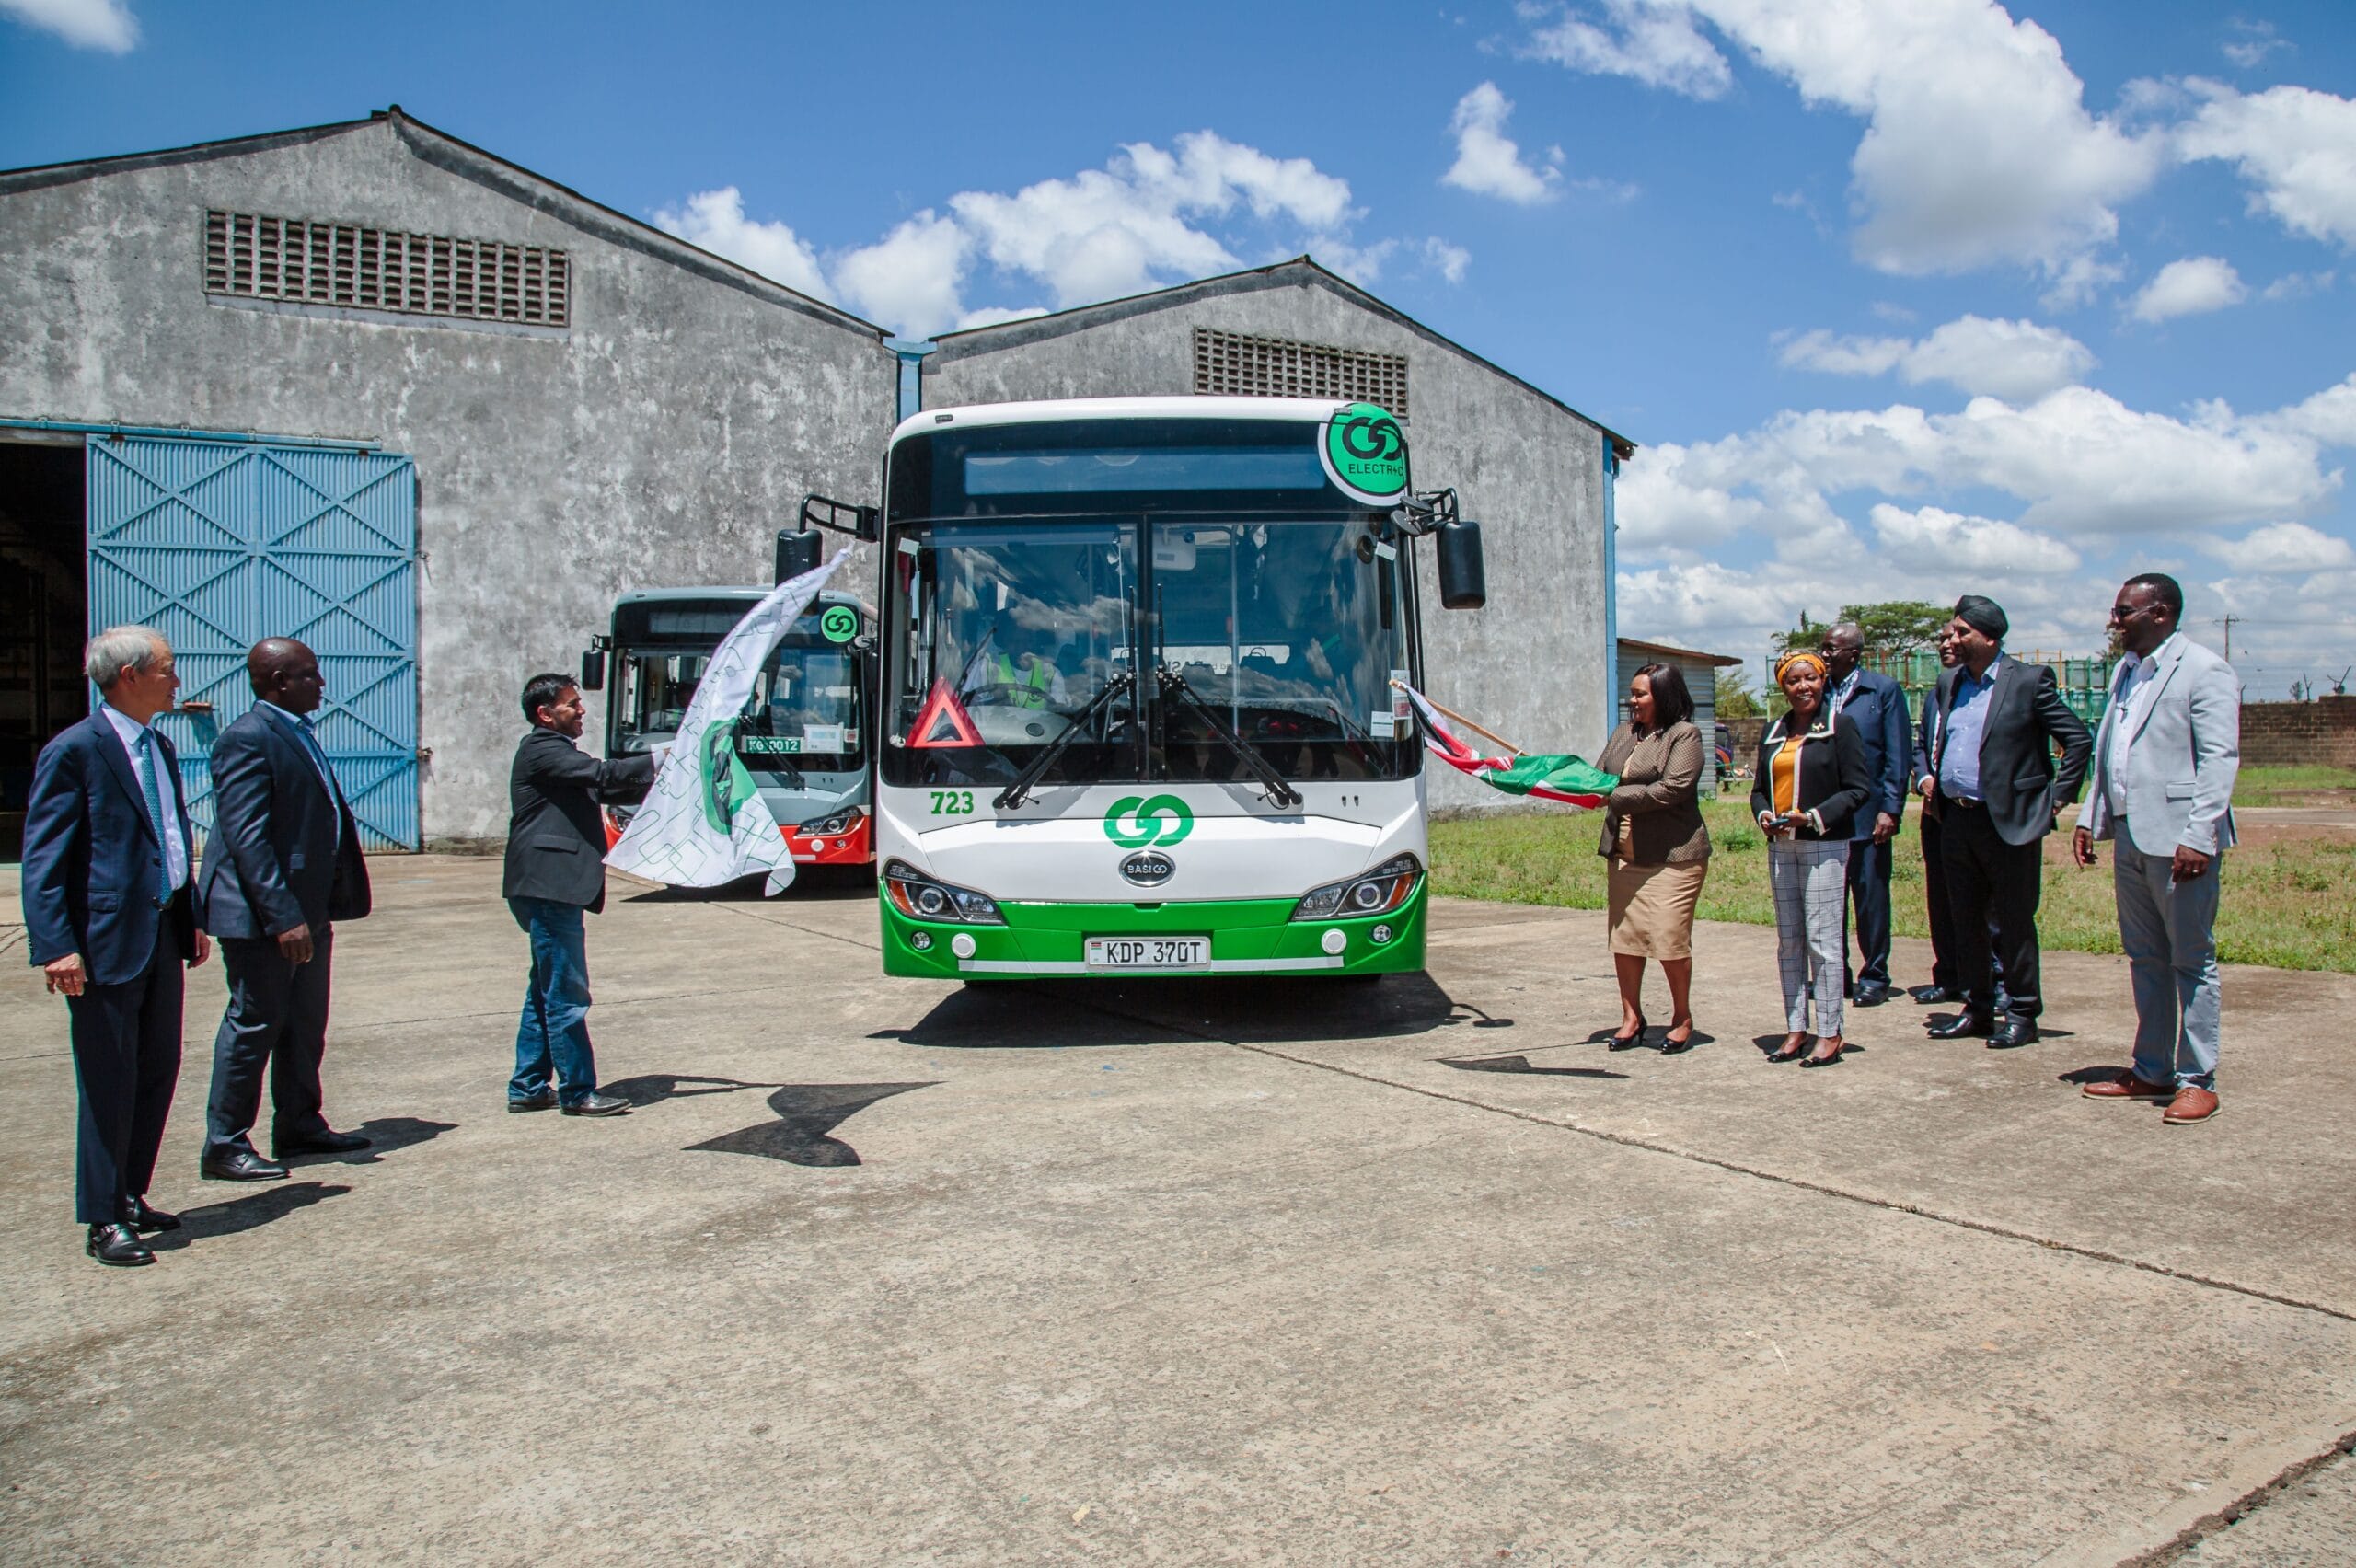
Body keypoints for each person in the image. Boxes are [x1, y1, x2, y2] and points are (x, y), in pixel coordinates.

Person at [22, 627, 213, 1267]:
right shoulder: (76, 750)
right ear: (129, 675)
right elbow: (45, 857)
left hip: (160, 931)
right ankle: (102, 1217)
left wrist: (188, 917)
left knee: (157, 1067)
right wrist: (56, 945)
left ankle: (131, 1192)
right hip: (102, 944)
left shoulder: (157, 746)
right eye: (166, 668)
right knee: (109, 1078)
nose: (176, 680)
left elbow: (169, 839)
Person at [196, 638, 375, 1181]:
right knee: (255, 1023)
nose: (321, 684)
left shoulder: (297, 732)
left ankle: (298, 1122)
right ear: (279, 682)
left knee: (304, 1024)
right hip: (265, 919)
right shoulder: (248, 739)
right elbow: (247, 839)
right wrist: (283, 918)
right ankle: (225, 1143)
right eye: (309, 675)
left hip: (308, 910)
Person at [2073, 574, 2239, 1125]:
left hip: (2180, 839)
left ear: (2161, 612)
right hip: (2130, 834)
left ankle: (2197, 1080)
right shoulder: (2127, 671)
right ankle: (2151, 1070)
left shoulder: (2204, 669)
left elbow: (2218, 759)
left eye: (2124, 612)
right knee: (2146, 957)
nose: (2114, 621)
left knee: (2191, 960)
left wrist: (2200, 834)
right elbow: (2112, 751)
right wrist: (2090, 815)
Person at [1922, 595, 2093, 1050]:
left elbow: (2077, 741)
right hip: (1956, 819)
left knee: (2014, 922)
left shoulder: (2029, 681)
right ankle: (1978, 1009)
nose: (1951, 639)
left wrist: (2053, 802)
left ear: (1989, 637)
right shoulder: (1949, 683)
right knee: (1966, 920)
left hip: (2009, 822)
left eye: (1961, 632)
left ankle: (2021, 1011)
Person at [503, 672, 656, 1116]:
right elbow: (603, 773)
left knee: (545, 989)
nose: (581, 710)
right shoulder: (542, 749)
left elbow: (606, 784)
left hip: (548, 884)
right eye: (572, 704)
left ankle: (528, 1086)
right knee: (566, 994)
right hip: (549, 885)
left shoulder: (558, 754)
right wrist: (665, 756)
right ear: (545, 713)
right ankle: (577, 1091)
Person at [1751, 651, 1872, 1066]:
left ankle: (1830, 1032)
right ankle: (1795, 1027)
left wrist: (1814, 817)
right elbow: (1757, 790)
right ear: (1782, 687)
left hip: (1824, 845)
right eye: (1792, 680)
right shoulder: (1773, 731)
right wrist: (1765, 814)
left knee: (1823, 941)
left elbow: (1858, 788)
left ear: (1823, 680)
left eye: (1810, 679)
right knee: (1790, 941)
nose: (1802, 687)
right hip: (1782, 846)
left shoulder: (1840, 727)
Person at [1593, 663, 1710, 1053]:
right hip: (1625, 855)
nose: (1633, 700)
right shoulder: (1624, 733)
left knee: (1668, 938)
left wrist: (1613, 796)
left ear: (1665, 695)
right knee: (1624, 940)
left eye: (1642, 693)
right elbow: (1599, 775)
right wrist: (1566, 782)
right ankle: (1631, 1018)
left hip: (1673, 858)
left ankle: (1682, 1017)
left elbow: (1671, 788)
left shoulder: (1684, 735)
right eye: (1632, 692)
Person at [1820, 623, 1911, 1007]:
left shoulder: (1882, 691)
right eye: (1822, 648)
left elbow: (1897, 754)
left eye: (1831, 649)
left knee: (1870, 898)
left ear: (1853, 654)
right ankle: (1834, 975)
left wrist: (1891, 808)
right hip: (1826, 817)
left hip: (1868, 815)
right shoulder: (1818, 692)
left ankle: (1874, 974)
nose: (1824, 655)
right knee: (1829, 901)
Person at [1911, 625, 1965, 1003]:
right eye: (1942, 640)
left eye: (1954, 638)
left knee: (1981, 902)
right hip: (1935, 811)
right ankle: (1948, 974)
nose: (1946, 645)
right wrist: (1925, 777)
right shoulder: (1936, 695)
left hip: (1973, 812)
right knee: (1941, 895)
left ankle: (1993, 980)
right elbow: (1921, 745)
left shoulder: (1989, 694)